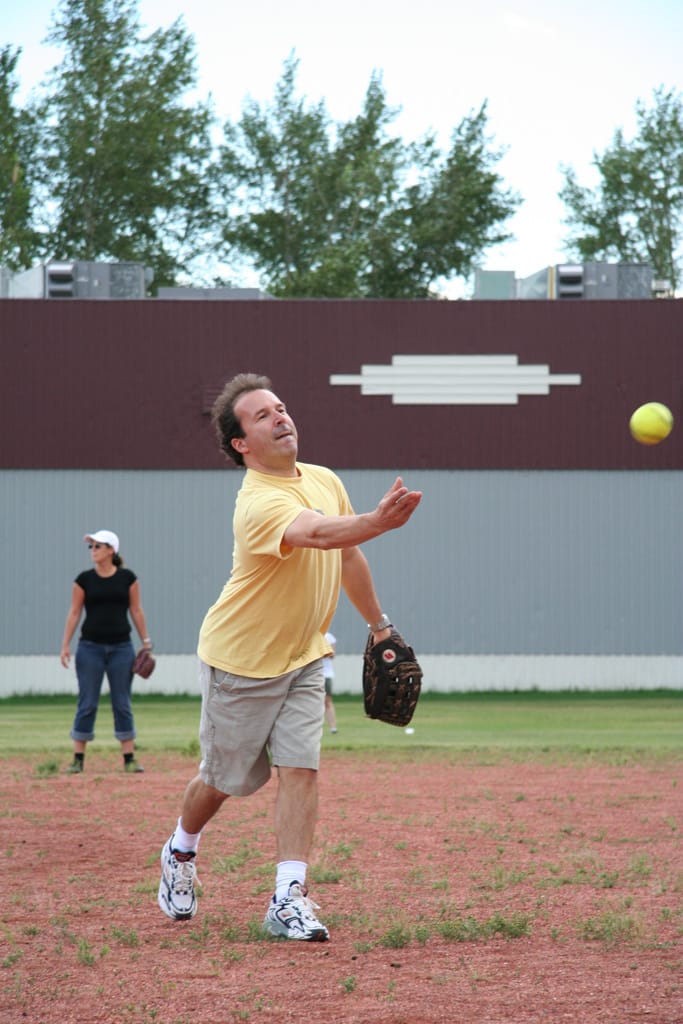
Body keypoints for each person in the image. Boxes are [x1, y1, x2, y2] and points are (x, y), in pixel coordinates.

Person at [157, 372, 422, 941]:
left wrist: (379, 625)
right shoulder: (256, 502)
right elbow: (321, 534)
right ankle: (181, 851)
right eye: (261, 416)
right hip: (242, 663)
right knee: (225, 780)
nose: (280, 417)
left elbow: (347, 555)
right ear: (241, 444)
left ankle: (287, 897)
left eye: (281, 407)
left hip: (304, 655)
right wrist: (377, 521)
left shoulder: (323, 478)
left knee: (301, 769)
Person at [60, 529, 152, 775]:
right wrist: (65, 645)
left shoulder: (128, 578)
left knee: (122, 702)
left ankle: (129, 759)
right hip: (90, 647)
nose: (93, 551)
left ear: (111, 550)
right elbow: (74, 612)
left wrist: (146, 641)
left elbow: (137, 610)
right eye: (91, 547)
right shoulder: (84, 580)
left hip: (122, 647)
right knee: (87, 702)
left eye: (98, 546)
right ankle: (78, 760)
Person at [322, 630, 338, 734]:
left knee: (327, 701)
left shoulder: (328, 636)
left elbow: (332, 654)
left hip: (326, 674)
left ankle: (333, 727)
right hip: (313, 674)